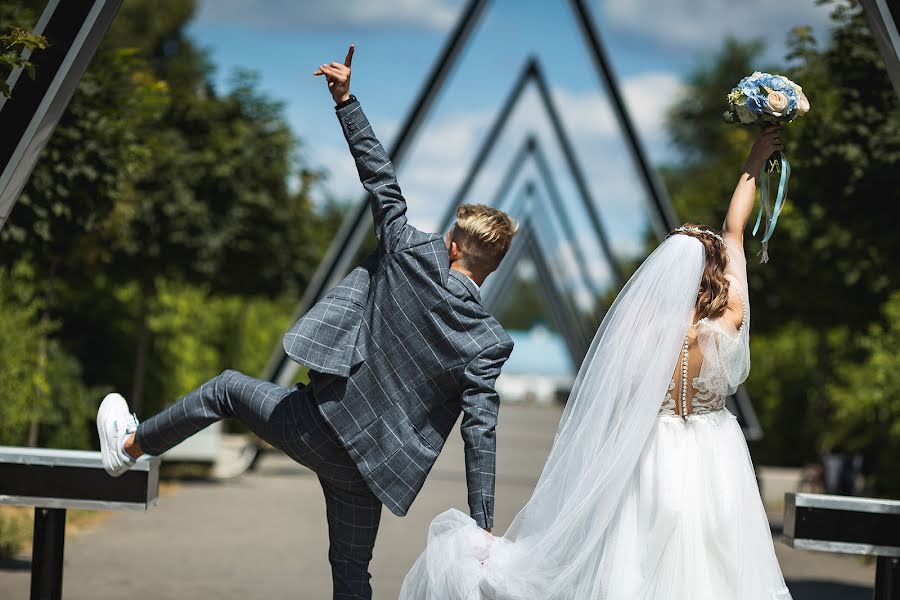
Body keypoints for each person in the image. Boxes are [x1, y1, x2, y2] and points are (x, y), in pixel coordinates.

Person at [96, 44, 517, 600]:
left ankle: (129, 448)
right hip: (371, 471)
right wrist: (483, 523)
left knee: (225, 388)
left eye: (449, 236)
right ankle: (130, 447)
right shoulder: (489, 342)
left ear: (457, 245)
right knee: (350, 575)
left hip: (321, 425)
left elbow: (381, 181)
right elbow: (480, 432)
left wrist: (345, 99)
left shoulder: (410, 254)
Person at [400, 127, 793, 600]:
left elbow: (620, 394)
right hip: (714, 449)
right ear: (714, 273)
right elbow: (734, 230)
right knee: (719, 558)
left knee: (635, 561)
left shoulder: (645, 328)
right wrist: (755, 159)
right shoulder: (731, 316)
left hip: (653, 448)